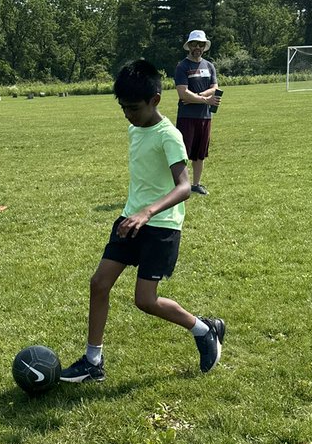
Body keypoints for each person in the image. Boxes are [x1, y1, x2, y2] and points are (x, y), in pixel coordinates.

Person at [60, 59, 225, 383]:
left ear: (155, 101)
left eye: (133, 108)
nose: (128, 115)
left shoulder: (169, 136)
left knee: (145, 300)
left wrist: (148, 211)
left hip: (161, 226)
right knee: (99, 284)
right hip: (130, 219)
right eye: (122, 108)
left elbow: (183, 187)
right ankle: (93, 361)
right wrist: (136, 212)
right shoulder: (134, 128)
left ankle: (204, 329)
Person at [174, 29, 219, 195]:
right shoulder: (182, 66)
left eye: (201, 44)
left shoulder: (209, 66)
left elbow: (215, 88)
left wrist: (199, 97)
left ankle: (196, 184)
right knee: (183, 153)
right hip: (187, 117)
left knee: (200, 153)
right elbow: (183, 93)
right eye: (194, 44)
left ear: (204, 46)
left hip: (205, 116)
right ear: (189, 46)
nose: (197, 47)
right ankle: (181, 186)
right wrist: (205, 99)